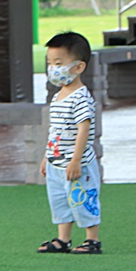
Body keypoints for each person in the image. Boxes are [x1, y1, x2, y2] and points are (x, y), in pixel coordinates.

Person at [37, 32, 102, 255]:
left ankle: (92, 239)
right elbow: (55, 131)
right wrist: (47, 156)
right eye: (50, 63)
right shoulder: (58, 97)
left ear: (78, 67)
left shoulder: (81, 97)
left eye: (59, 63)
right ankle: (63, 239)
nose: (53, 69)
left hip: (77, 164)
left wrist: (75, 160)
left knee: (82, 198)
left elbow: (84, 130)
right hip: (56, 162)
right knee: (59, 201)